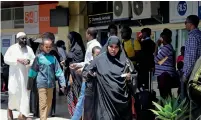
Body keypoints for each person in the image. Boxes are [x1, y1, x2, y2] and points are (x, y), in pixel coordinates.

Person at [82, 36, 136, 120]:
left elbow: (134, 75)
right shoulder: (99, 60)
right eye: (111, 46)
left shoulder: (125, 61)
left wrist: (130, 78)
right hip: (105, 101)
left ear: (120, 47)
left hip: (122, 104)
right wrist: (90, 74)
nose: (113, 49)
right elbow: (86, 71)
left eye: (116, 47)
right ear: (107, 46)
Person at [27, 34, 66, 120]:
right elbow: (33, 71)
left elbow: (58, 71)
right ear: (42, 46)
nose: (48, 48)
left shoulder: (53, 58)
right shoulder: (38, 58)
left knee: (48, 104)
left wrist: (62, 83)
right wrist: (29, 84)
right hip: (41, 84)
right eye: (46, 47)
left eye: (49, 47)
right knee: (43, 103)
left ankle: (44, 117)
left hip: (51, 85)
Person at [70, 28, 101, 119]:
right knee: (83, 100)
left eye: (86, 33)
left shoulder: (94, 46)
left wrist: (83, 69)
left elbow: (93, 62)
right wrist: (78, 65)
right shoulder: (92, 45)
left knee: (82, 100)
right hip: (88, 75)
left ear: (88, 34)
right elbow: (88, 61)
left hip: (89, 77)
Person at [4, 32, 35, 120]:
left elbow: (33, 59)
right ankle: (9, 109)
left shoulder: (29, 49)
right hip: (14, 76)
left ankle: (23, 114)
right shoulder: (12, 48)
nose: (25, 40)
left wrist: (28, 62)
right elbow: (6, 59)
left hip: (25, 76)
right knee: (13, 93)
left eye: (25, 38)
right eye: (22, 38)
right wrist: (17, 60)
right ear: (18, 39)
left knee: (24, 95)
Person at [61, 31, 85, 116]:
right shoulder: (74, 48)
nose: (68, 41)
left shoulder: (78, 49)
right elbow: (71, 61)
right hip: (72, 78)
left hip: (75, 79)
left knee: (76, 98)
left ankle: (77, 116)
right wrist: (66, 62)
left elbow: (76, 65)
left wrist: (71, 76)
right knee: (72, 98)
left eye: (69, 39)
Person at [183, 15, 201, 120]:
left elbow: (191, 58)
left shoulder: (192, 37)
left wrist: (185, 75)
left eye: (186, 22)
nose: (185, 25)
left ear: (191, 24)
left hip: (193, 75)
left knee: (191, 103)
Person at [154, 29, 177, 99]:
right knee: (165, 95)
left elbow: (155, 60)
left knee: (165, 95)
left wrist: (156, 45)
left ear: (163, 38)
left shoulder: (166, 49)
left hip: (164, 75)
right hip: (164, 74)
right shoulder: (167, 47)